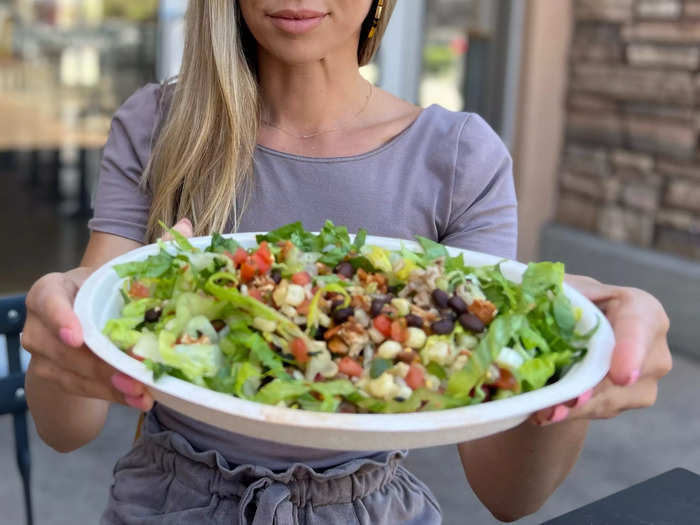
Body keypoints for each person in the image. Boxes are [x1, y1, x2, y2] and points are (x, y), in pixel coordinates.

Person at [21, 1, 672, 523]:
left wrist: (575, 362)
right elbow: (66, 426)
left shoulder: (458, 159)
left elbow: (509, 493)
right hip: (166, 503)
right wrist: (62, 320)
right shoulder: (158, 125)